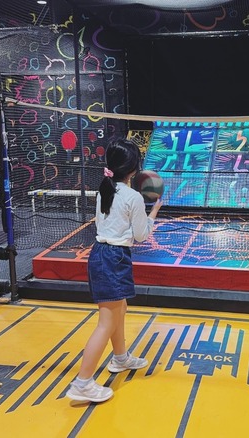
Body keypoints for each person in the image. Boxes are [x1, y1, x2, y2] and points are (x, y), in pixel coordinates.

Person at [66, 139, 162, 403]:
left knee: (120, 310)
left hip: (103, 255)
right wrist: (153, 213)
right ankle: (82, 383)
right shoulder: (131, 196)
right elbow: (142, 236)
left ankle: (120, 358)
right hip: (112, 258)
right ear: (133, 168)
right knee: (106, 321)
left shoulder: (104, 189)